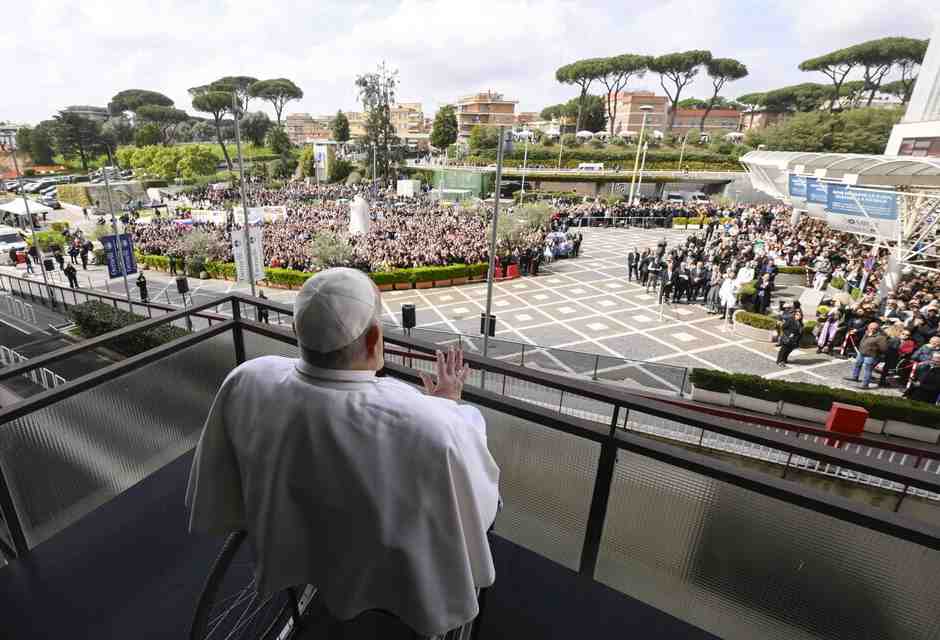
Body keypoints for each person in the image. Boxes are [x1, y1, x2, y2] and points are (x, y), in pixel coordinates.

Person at [186, 268, 500, 638]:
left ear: (298, 329)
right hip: (389, 567)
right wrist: (447, 402)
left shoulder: (249, 376)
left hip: (293, 535)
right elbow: (477, 503)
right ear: (374, 339)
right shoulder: (430, 423)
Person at [845, 322, 888, 390]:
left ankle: (865, 384)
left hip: (871, 355)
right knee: (858, 364)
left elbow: (884, 348)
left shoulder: (881, 337)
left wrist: (875, 350)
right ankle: (855, 377)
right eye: (870, 328)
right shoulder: (867, 333)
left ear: (877, 329)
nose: (871, 329)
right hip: (861, 353)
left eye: (873, 328)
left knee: (868, 370)